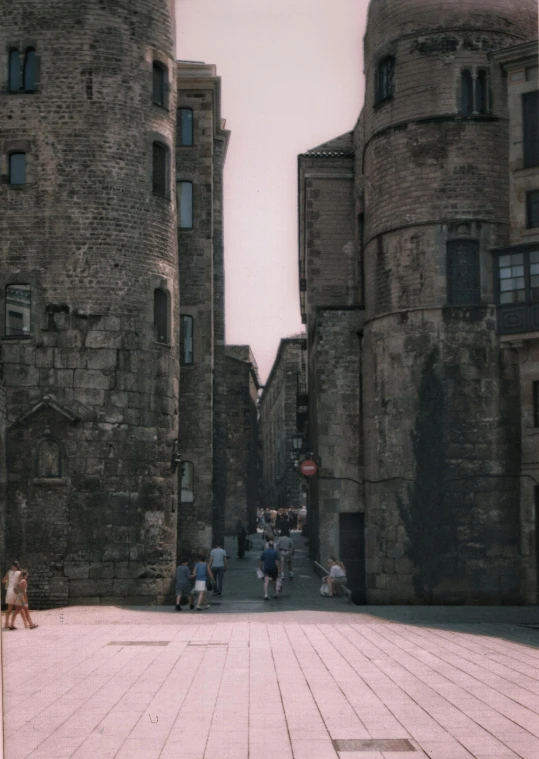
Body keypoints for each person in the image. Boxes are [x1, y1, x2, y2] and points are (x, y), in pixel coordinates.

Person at [2, 560, 21, 630]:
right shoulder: (19, 573)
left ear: (12, 566)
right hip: (16, 591)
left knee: (9, 609)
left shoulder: (9, 572)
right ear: (17, 566)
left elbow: (3, 581)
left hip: (9, 591)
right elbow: (19, 583)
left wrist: (9, 582)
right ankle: (12, 624)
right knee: (17, 609)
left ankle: (6, 624)